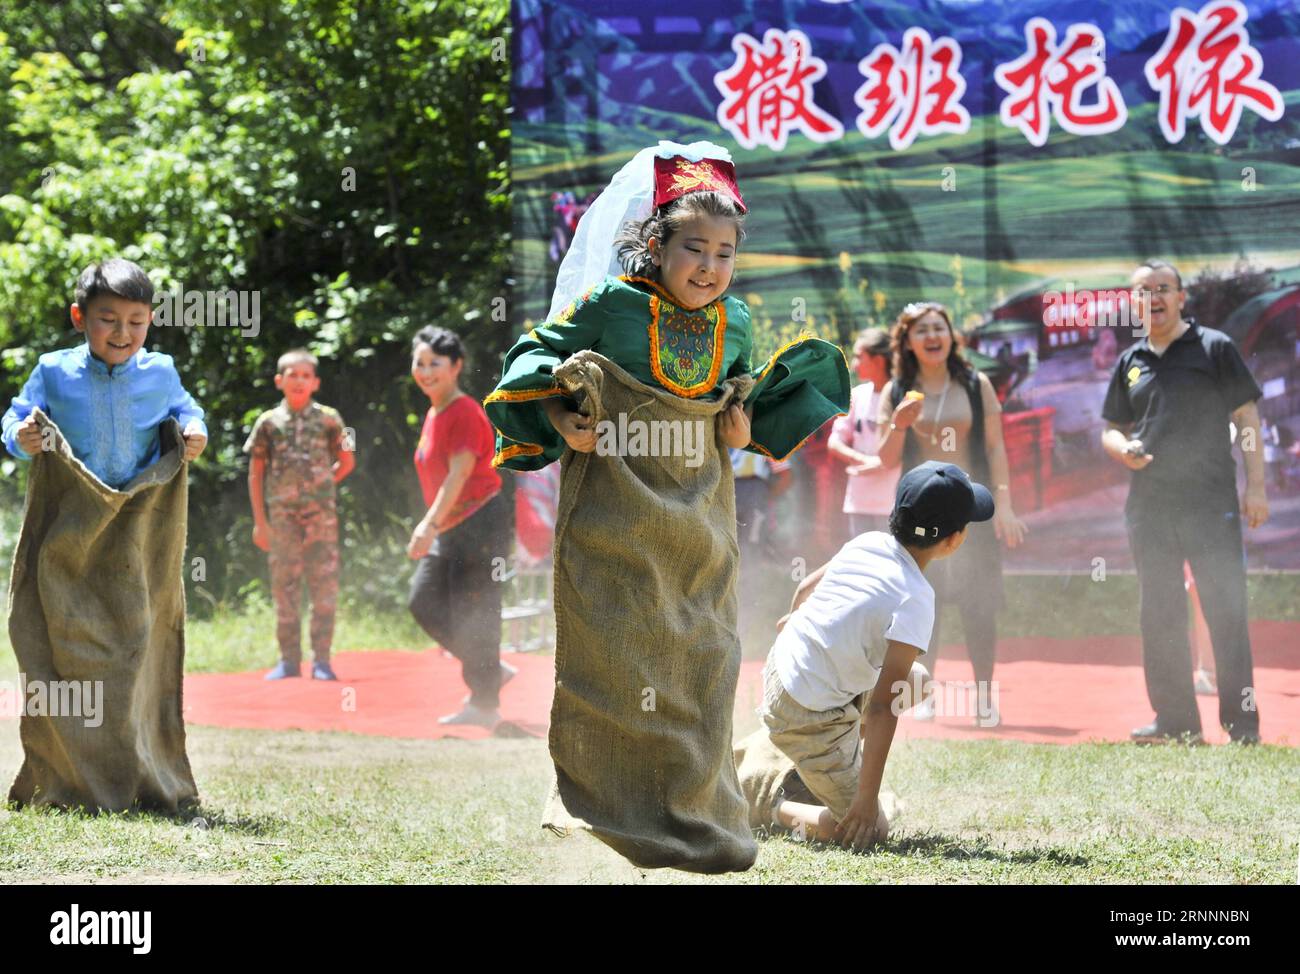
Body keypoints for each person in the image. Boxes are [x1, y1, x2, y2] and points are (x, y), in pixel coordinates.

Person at [484, 141, 850, 872]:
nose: (709, 266)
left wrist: (743, 421)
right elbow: (530, 358)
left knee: (708, 658)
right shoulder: (609, 307)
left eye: (724, 252)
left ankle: (700, 813)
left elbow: (739, 389)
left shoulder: (736, 321)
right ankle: (610, 809)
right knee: (619, 661)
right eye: (694, 247)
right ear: (656, 245)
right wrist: (561, 417)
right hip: (615, 521)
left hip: (702, 524)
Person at [734, 461, 994, 849]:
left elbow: (806, 587)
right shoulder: (915, 598)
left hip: (783, 676)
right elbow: (883, 709)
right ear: (953, 540)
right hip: (808, 713)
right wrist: (867, 801)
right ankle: (761, 799)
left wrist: (793, 622)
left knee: (917, 681)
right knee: (868, 830)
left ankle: (810, 756)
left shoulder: (869, 541)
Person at [1101, 260, 1267, 745]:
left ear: (1180, 297)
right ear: (1134, 302)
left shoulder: (1215, 348)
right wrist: (1121, 449)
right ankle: (1176, 723)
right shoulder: (1130, 361)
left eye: (1163, 289)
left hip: (1210, 502)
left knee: (1226, 611)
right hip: (1149, 509)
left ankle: (1243, 725)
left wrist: (1255, 487)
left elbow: (1247, 417)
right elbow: (1111, 427)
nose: (1153, 298)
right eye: (1143, 291)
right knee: (1160, 613)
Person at [875, 302, 1026, 724]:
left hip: (970, 509)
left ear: (951, 336)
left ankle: (983, 699)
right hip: (920, 517)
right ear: (907, 341)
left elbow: (995, 447)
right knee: (924, 606)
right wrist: (900, 424)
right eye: (921, 330)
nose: (931, 336)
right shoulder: (895, 390)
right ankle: (923, 695)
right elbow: (885, 459)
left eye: (938, 328)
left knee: (980, 606)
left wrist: (1005, 505)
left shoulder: (975, 384)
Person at [3, 258, 207, 479]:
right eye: (108, 319)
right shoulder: (52, 371)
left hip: (145, 502)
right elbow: (15, 419)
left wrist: (195, 430)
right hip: (73, 500)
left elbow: (187, 412)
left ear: (150, 320)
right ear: (79, 317)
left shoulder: (161, 372)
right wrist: (21, 439)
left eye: (136, 322)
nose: (122, 332)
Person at [406, 326, 510, 727]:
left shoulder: (465, 410)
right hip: (451, 525)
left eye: (436, 363)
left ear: (457, 367)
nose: (426, 371)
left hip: (480, 521)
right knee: (424, 601)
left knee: (476, 611)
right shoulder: (435, 412)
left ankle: (485, 703)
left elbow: (459, 474)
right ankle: (489, 672)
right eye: (420, 363)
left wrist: (427, 525)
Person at [245, 349, 355, 681]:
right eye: (292, 374)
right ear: (279, 380)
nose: (299, 381)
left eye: (306, 375)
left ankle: (322, 661)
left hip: (320, 519)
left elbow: (348, 461)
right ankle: (289, 661)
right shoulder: (267, 423)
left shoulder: (330, 419)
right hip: (282, 521)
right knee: (285, 588)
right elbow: (255, 472)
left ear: (316, 382)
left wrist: (321, 486)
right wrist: (260, 522)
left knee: (324, 586)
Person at [828, 327, 899, 536]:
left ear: (878, 360)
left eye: (860, 357)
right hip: (858, 501)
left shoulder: (902, 395)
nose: (855, 364)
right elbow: (835, 441)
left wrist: (881, 463)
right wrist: (862, 460)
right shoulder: (857, 395)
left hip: (893, 500)